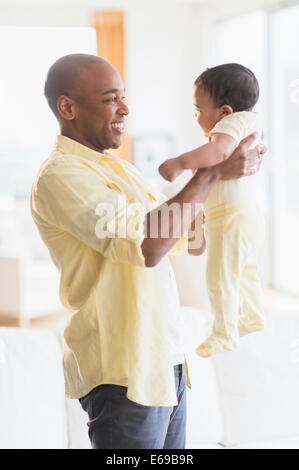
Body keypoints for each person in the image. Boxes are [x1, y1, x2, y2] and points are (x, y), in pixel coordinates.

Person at [30, 54, 266, 449]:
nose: (125, 109)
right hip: (123, 377)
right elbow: (150, 245)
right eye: (110, 99)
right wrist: (212, 172)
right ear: (67, 107)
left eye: (123, 96)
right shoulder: (61, 175)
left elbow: (186, 234)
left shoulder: (119, 169)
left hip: (165, 362)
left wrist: (231, 185)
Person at [159, 63, 266, 358]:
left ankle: (224, 334)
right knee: (245, 272)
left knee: (220, 277)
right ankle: (253, 315)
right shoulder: (247, 124)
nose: (195, 116)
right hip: (244, 214)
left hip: (230, 217)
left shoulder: (230, 127)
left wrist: (180, 162)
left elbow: (218, 153)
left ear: (224, 111)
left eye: (198, 109)